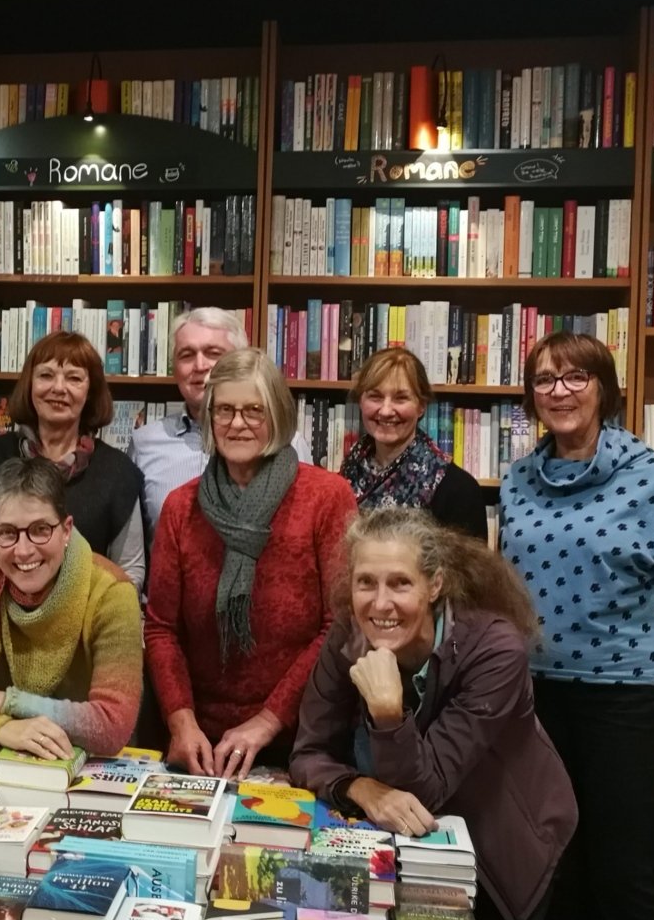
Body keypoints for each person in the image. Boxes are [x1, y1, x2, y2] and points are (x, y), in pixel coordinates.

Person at [501, 331, 654, 920]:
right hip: (536, 704)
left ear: (604, 388)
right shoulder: (517, 480)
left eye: (574, 377)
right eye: (544, 379)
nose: (558, 391)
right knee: (551, 872)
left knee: (621, 881)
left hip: (628, 705)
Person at [290, 506, 577, 920]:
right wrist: (362, 787)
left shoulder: (495, 649)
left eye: (400, 583)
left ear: (435, 585)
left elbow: (429, 787)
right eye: (366, 583)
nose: (380, 603)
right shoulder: (347, 636)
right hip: (403, 856)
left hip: (500, 862)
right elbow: (308, 751)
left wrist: (386, 712)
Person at [143, 348, 355, 779]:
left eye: (253, 411)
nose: (237, 424)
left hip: (303, 739)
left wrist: (267, 721)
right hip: (201, 744)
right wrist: (181, 723)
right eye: (224, 410)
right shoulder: (180, 508)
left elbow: (340, 624)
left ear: (276, 415)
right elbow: (162, 628)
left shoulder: (327, 498)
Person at [0, 457, 143, 759]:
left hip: (94, 766)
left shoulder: (112, 592)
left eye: (40, 529)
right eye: (8, 533)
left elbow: (111, 726)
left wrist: (3, 702)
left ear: (65, 529)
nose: (23, 551)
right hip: (8, 758)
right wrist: (1, 729)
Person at [0, 332, 146, 591]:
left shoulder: (118, 472)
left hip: (88, 621)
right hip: (1, 617)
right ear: (29, 385)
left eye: (74, 378)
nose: (58, 388)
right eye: (46, 375)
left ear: (90, 391)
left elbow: (130, 572)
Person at [127, 308, 312, 538]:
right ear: (174, 367)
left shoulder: (286, 441)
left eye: (214, 353)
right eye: (186, 355)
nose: (200, 365)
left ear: (241, 362)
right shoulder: (145, 442)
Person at [339, 348, 488, 541]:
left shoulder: (457, 490)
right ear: (360, 401)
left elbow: (469, 570)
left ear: (421, 406)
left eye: (401, 398)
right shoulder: (347, 473)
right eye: (375, 396)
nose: (385, 411)